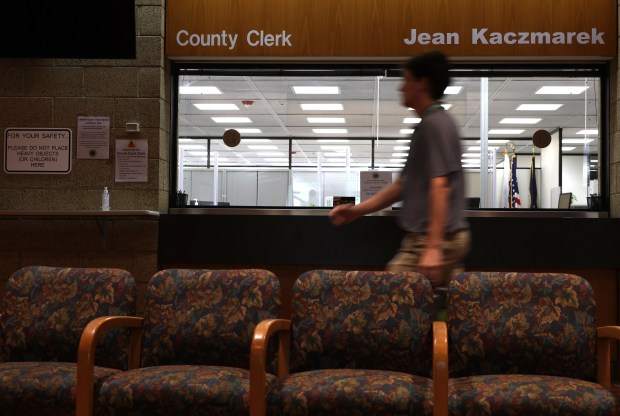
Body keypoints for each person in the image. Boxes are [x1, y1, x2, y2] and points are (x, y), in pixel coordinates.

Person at [329, 50, 471, 301]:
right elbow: (403, 186)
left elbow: (441, 187)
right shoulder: (427, 126)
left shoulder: (434, 125)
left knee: (392, 299)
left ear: (422, 83)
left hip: (433, 241)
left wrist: (433, 247)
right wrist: (357, 211)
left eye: (406, 80)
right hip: (432, 240)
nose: (401, 88)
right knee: (437, 309)